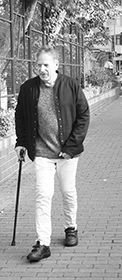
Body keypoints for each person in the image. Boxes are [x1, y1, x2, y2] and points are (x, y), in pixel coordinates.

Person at [15, 46, 90, 262]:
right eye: (38, 65)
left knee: (68, 191)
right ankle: (43, 243)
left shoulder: (70, 85)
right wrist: (21, 143)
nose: (42, 69)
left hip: (68, 153)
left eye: (46, 65)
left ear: (56, 65)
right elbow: (20, 117)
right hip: (41, 152)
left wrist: (72, 146)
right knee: (43, 195)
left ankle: (70, 227)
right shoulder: (28, 88)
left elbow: (83, 115)